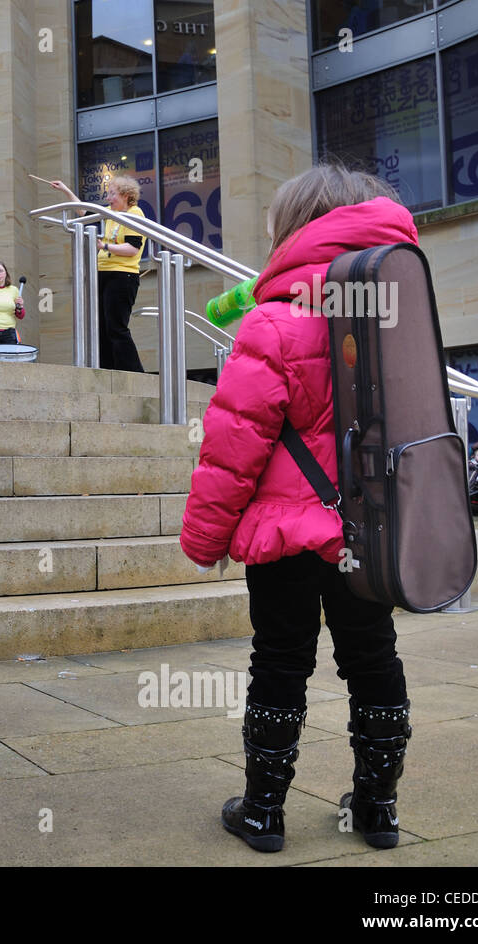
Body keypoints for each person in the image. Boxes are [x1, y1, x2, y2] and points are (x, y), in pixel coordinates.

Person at [179, 164, 415, 854]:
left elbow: (233, 447)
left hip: (284, 535)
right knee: (373, 658)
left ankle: (262, 811)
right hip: (367, 530)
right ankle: (378, 808)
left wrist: (204, 539)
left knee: (280, 661)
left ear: (296, 230)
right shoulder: (395, 316)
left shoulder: (274, 321)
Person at [48, 176, 146, 371]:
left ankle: (134, 372)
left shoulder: (135, 213)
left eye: (112, 194)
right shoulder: (110, 213)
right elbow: (84, 210)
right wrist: (66, 190)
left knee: (116, 326)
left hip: (122, 275)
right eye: (108, 194)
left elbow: (133, 248)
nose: (108, 198)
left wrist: (105, 245)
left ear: (126, 196)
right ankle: (108, 370)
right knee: (101, 327)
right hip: (103, 274)